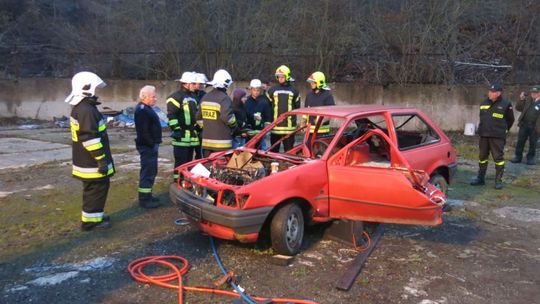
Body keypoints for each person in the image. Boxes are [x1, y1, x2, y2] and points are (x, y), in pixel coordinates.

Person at [65, 71, 114, 231]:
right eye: (95, 88)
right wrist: (101, 160)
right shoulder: (87, 110)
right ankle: (91, 223)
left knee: (93, 191)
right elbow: (90, 138)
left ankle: (94, 215)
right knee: (96, 190)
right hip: (92, 163)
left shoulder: (81, 108)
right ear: (87, 88)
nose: (97, 91)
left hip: (85, 161)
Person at [471, 83, 515, 189]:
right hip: (484, 135)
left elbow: (510, 120)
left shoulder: (506, 103)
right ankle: (480, 178)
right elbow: (482, 118)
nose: (490, 93)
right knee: (482, 157)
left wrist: (504, 130)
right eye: (489, 91)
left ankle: (498, 181)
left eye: (492, 92)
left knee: (498, 158)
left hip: (497, 136)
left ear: (499, 93)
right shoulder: (484, 103)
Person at [166, 72, 200, 182]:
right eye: (193, 83)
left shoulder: (194, 96)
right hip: (181, 136)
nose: (195, 85)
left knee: (189, 162)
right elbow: (172, 115)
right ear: (186, 84)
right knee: (180, 162)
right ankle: (177, 182)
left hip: (192, 136)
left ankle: (186, 181)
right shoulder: (175, 97)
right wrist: (176, 129)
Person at [196, 69, 237, 157]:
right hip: (222, 143)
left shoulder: (205, 97)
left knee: (208, 166)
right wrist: (235, 127)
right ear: (226, 84)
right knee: (221, 168)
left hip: (207, 142)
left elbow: (198, 118)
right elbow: (228, 118)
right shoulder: (224, 98)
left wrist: (207, 126)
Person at [134, 85, 162, 209]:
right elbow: (143, 132)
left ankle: (148, 195)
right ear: (144, 97)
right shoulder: (142, 110)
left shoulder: (147, 108)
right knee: (148, 172)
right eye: (153, 96)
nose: (155, 99)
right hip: (147, 147)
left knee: (152, 171)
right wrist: (151, 144)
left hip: (150, 146)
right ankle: (144, 199)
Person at [266, 65, 300, 152]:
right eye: (279, 76)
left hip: (289, 128)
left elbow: (297, 108)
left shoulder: (294, 91)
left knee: (289, 152)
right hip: (275, 127)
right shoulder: (272, 90)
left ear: (287, 76)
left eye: (282, 76)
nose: (280, 78)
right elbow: (268, 107)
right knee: (273, 152)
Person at [511, 85, 540, 165]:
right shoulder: (528, 100)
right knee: (520, 141)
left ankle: (530, 158)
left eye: (536, 92)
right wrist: (521, 99)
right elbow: (518, 108)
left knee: (533, 143)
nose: (533, 94)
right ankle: (518, 157)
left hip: (535, 126)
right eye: (533, 92)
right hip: (524, 124)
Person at [304, 71, 335, 135]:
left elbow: (331, 113)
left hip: (322, 132)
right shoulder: (309, 95)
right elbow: (306, 110)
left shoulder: (328, 95)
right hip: (309, 131)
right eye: (311, 82)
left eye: (313, 82)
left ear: (319, 83)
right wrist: (303, 122)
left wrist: (322, 121)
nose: (311, 84)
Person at [245, 79, 272, 150]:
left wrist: (266, 129)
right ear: (250, 90)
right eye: (254, 90)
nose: (256, 92)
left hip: (260, 132)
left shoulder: (264, 102)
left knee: (261, 150)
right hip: (248, 131)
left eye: (258, 90)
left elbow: (268, 117)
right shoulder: (246, 101)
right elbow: (244, 115)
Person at [192, 72, 208, 159]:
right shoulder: (190, 95)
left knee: (200, 153)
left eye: (202, 84)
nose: (201, 86)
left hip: (202, 129)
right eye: (200, 84)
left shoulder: (204, 95)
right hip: (192, 128)